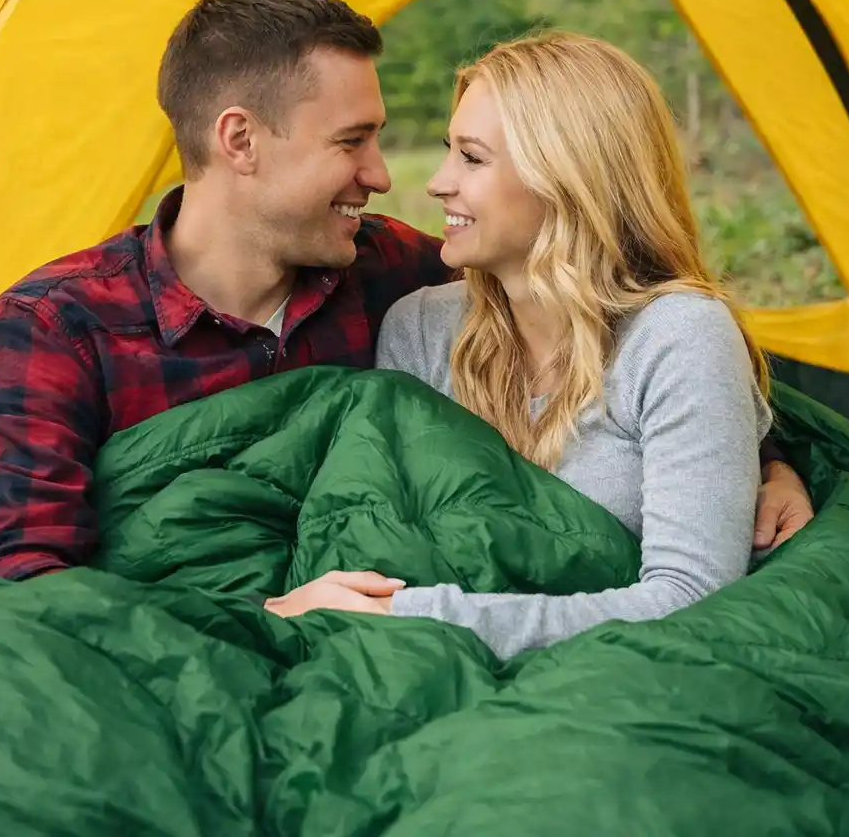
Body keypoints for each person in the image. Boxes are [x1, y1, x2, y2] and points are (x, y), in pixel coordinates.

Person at [0, 0, 810, 589]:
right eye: (351, 142)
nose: (386, 176)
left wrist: (761, 464)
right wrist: (257, 620)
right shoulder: (53, 331)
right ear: (240, 141)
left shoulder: (389, 272)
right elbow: (14, 586)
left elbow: (617, 315)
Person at [265, 32, 790, 660]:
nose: (437, 183)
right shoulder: (421, 330)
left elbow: (692, 598)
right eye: (448, 152)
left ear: (566, 176)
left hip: (615, 676)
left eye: (472, 158)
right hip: (431, 670)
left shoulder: (677, 337)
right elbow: (389, 538)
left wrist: (407, 614)